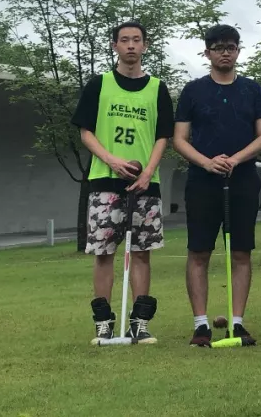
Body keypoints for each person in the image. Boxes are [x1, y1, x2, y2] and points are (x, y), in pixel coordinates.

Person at [73, 20, 174, 345]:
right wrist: (112, 160)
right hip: (105, 181)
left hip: (145, 184)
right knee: (104, 253)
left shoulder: (157, 88)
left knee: (142, 253)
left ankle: (139, 323)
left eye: (137, 40)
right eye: (125, 40)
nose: (131, 45)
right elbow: (85, 131)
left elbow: (163, 136)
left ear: (145, 45)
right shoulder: (99, 84)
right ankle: (103, 323)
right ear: (114, 45)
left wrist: (147, 172)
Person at [173, 25, 261, 347]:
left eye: (231, 47)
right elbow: (179, 139)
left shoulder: (253, 90)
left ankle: (237, 322)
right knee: (199, 251)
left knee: (241, 251)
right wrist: (206, 162)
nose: (225, 52)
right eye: (218, 48)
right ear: (207, 53)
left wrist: (236, 159)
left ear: (238, 51)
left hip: (242, 179)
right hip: (203, 180)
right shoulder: (193, 90)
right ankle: (200, 325)